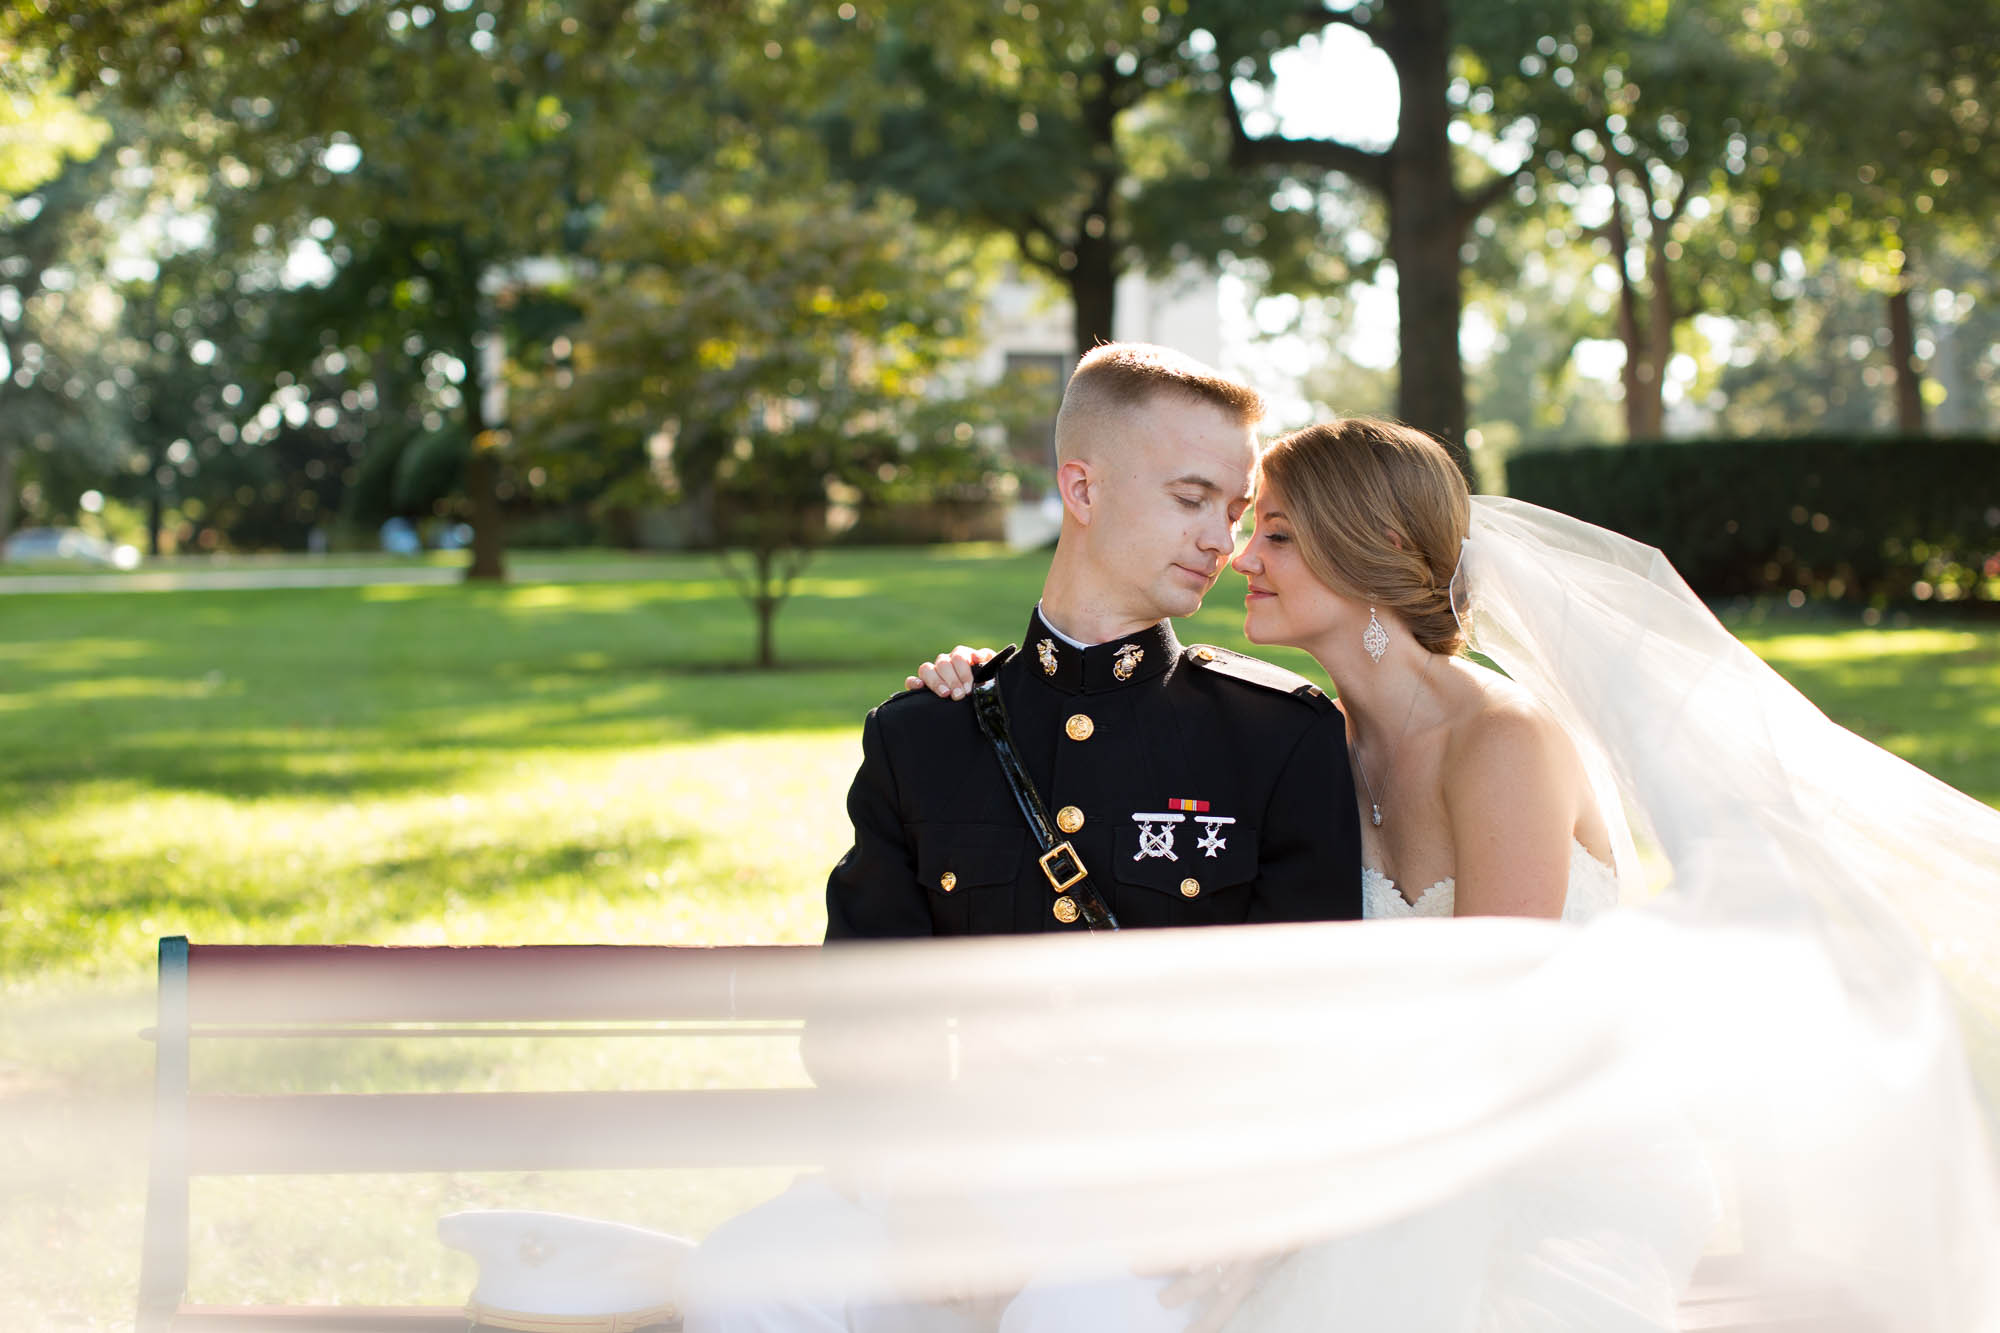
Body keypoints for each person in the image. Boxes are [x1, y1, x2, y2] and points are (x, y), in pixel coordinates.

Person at [680, 344, 1365, 1333]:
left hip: (1161, 1197)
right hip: (953, 1173)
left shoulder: (1276, 736)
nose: (1220, 537)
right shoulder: (925, 733)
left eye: (1231, 506)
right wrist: (924, 1197)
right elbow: (863, 1010)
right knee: (740, 1277)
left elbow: (1308, 1023)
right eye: (1189, 497)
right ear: (1079, 487)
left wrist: (1244, 1210)